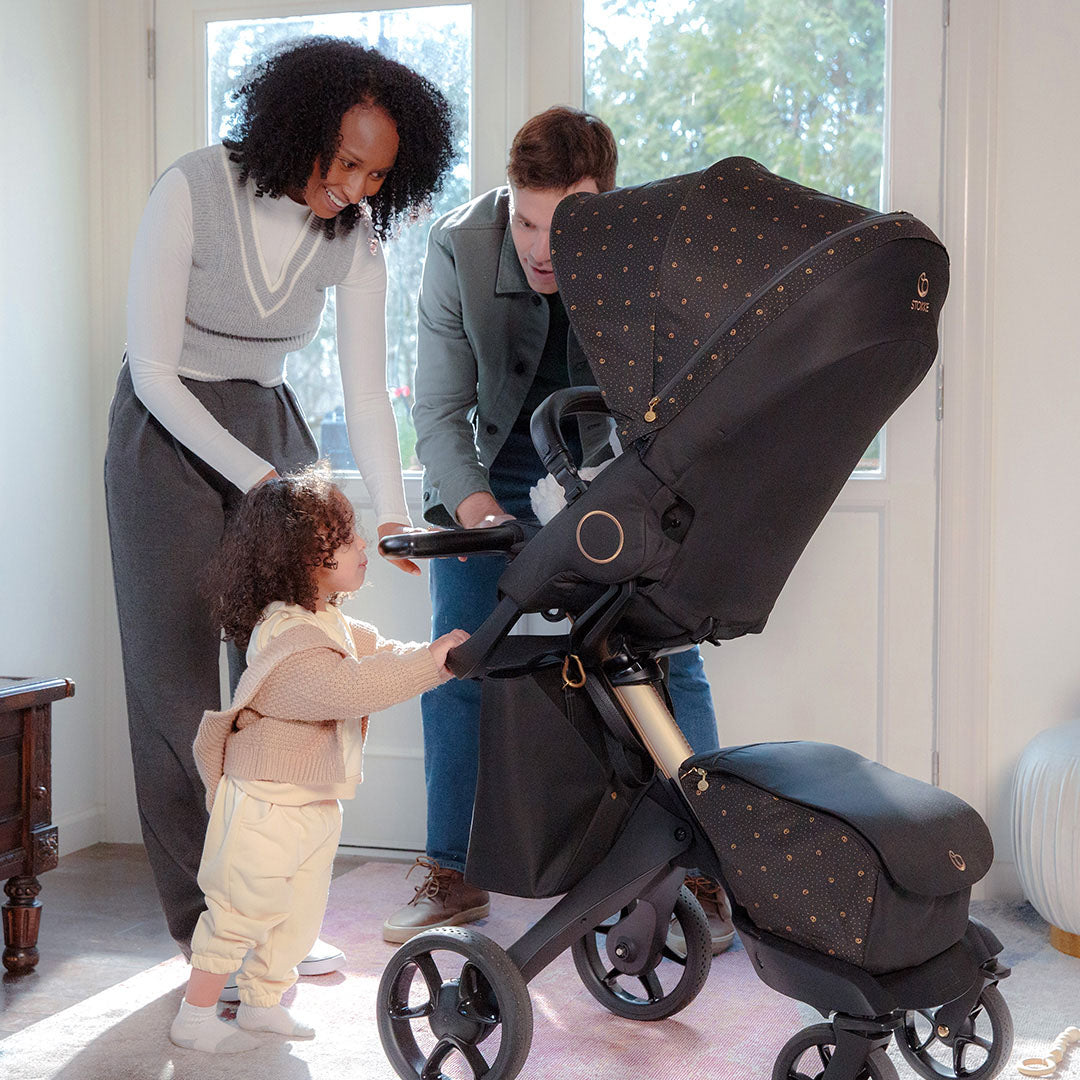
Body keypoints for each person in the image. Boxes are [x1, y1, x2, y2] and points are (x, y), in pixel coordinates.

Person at [104, 36, 455, 978]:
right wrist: (262, 482)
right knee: (176, 687)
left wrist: (389, 512)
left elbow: (367, 390)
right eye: (345, 162)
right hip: (166, 433)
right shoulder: (191, 191)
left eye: (378, 174)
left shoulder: (356, 235)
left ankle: (273, 915)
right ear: (296, 127)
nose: (357, 188)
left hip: (268, 424)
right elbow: (154, 373)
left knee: (289, 674)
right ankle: (205, 927)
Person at [382, 107, 732, 953]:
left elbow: (679, 400)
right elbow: (439, 412)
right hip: (493, 475)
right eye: (527, 222)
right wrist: (483, 515)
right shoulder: (458, 246)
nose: (542, 249)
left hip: (619, 470)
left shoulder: (648, 250)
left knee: (669, 660)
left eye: (564, 227)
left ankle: (704, 868)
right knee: (459, 658)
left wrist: (619, 502)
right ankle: (452, 869)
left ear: (606, 203)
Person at [168, 465, 469, 1053]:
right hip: (264, 803)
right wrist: (430, 664)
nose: (363, 545)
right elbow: (349, 687)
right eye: (347, 537)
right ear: (302, 559)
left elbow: (381, 654)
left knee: (297, 916)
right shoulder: (286, 636)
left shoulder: (327, 620)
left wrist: (442, 656)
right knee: (241, 910)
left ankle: (262, 1004)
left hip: (311, 801)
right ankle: (195, 1016)